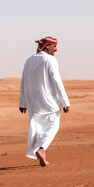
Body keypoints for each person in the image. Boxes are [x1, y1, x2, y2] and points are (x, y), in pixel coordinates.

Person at [19, 36, 70, 167]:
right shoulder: (50, 60)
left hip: (33, 101)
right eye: (54, 46)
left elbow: (23, 81)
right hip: (49, 100)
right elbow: (57, 81)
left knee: (37, 126)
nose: (56, 49)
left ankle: (41, 151)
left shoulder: (29, 60)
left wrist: (23, 102)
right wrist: (65, 102)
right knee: (53, 125)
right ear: (47, 46)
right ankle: (41, 149)